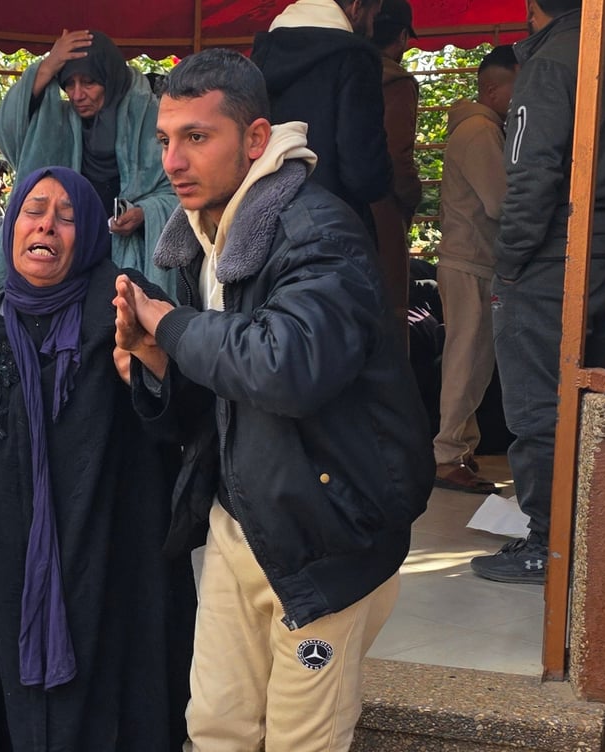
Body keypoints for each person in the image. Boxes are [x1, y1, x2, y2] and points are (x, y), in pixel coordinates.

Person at [114, 48, 433, 752]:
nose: (173, 161)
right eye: (165, 139)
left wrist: (171, 323)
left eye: (198, 137)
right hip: (244, 523)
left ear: (256, 140)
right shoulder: (206, 238)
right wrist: (159, 364)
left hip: (328, 535)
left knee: (301, 741)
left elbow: (288, 369)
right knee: (216, 727)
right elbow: (220, 400)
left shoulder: (318, 232)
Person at [0, 165, 193, 751]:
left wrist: (153, 366)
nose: (47, 224)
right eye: (33, 210)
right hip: (16, 571)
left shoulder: (127, 305)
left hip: (119, 569)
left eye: (68, 215)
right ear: (13, 226)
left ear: (91, 235)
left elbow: (189, 417)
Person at [471, 0, 605, 584]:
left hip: (554, 253)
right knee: (602, 402)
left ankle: (550, 542)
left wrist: (510, 262)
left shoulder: (550, 63)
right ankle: (594, 539)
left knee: (539, 406)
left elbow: (531, 172)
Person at [0, 29, 178, 298]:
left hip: (126, 259)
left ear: (111, 79)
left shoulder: (147, 121)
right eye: (69, 84)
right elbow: (6, 127)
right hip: (60, 252)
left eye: (89, 82)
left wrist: (144, 214)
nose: (77, 94)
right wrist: (49, 64)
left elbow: (178, 194)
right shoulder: (56, 124)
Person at [432, 45, 518, 494]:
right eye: (516, 87)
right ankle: (448, 456)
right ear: (491, 88)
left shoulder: (479, 128)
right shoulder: (482, 131)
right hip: (471, 260)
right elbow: (500, 202)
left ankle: (457, 451)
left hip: (468, 259)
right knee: (468, 362)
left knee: (471, 361)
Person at [250, 0, 391, 236]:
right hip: (331, 229)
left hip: (262, 224)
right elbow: (364, 174)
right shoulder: (354, 59)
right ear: (356, 7)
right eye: (373, 17)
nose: (372, 29)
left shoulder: (262, 54)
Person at [370, 0, 422, 340]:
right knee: (389, 316)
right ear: (402, 37)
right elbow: (397, 156)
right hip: (381, 214)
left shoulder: (339, 69)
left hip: (326, 208)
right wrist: (411, 198)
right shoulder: (397, 82)